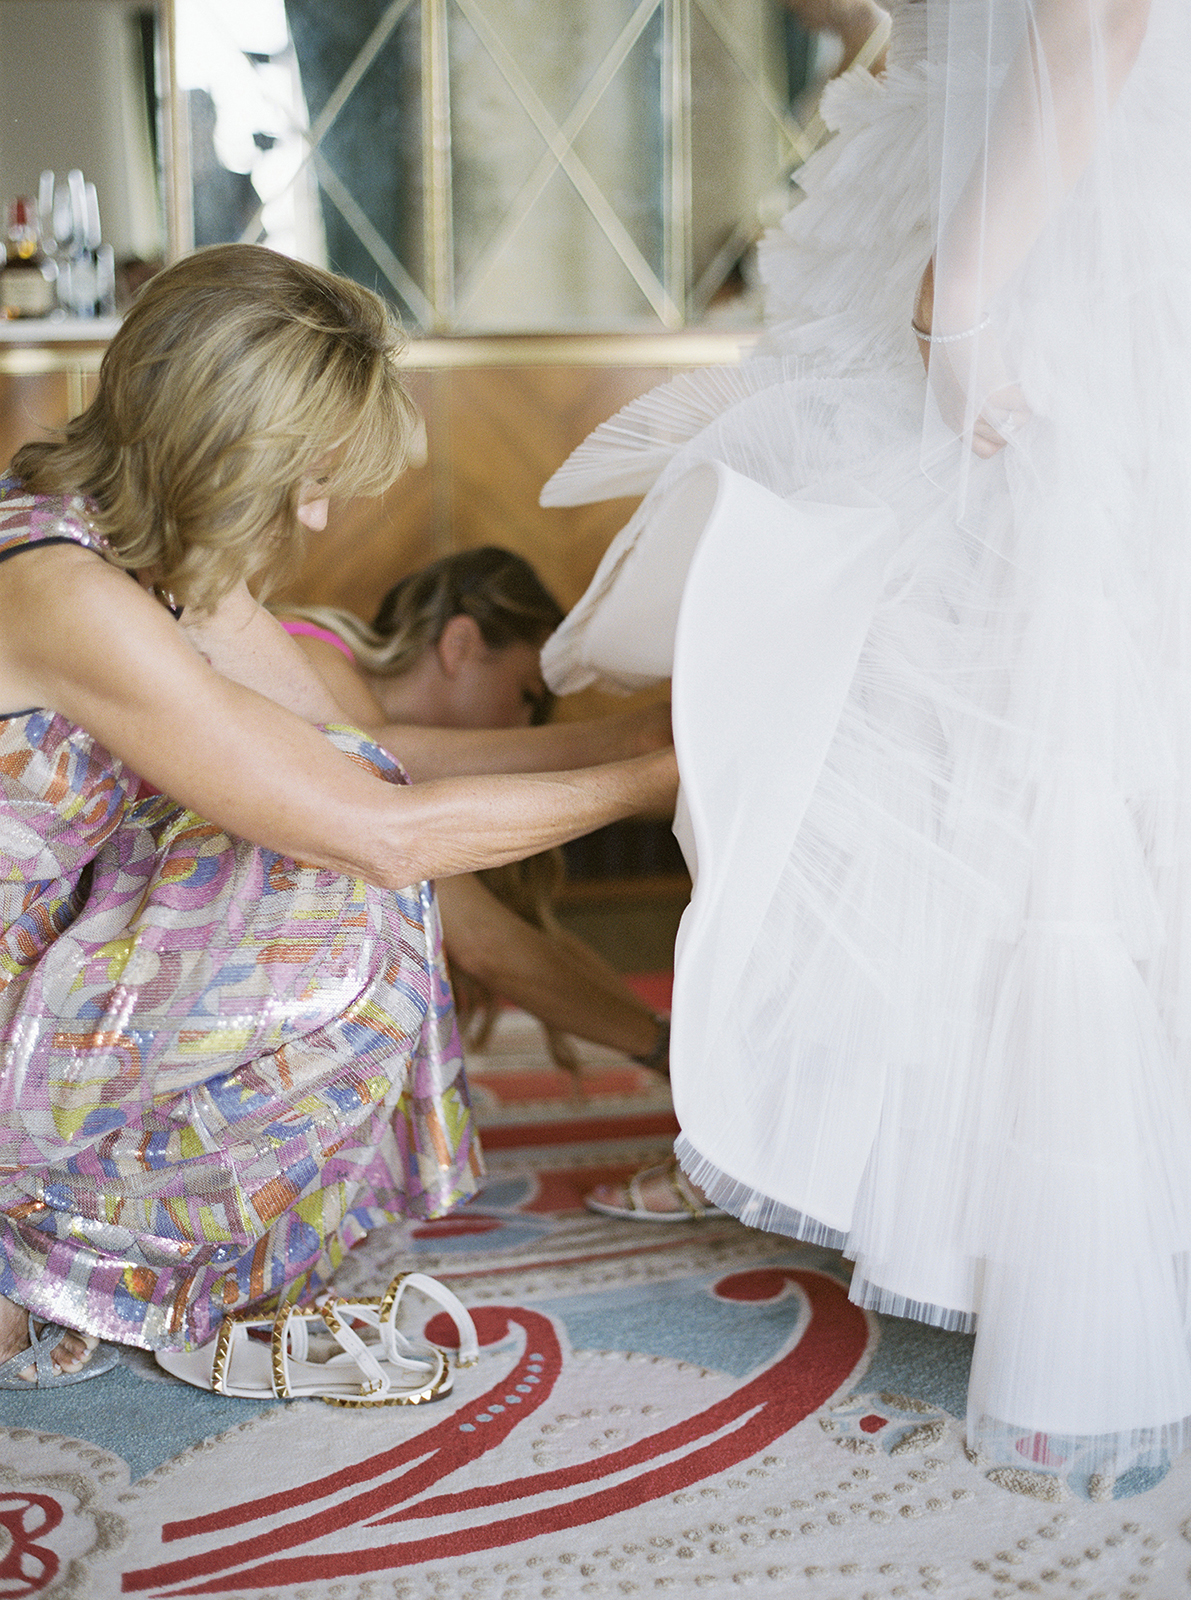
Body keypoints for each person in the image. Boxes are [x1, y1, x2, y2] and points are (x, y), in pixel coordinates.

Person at [541, 0, 1191, 1487]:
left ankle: (1058, 1238)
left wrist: (958, 296)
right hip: (1003, 189)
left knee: (1010, 721)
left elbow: (1099, 19)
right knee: (984, 731)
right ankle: (1002, 1203)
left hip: (1027, 241)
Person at [0, 242, 676, 1392]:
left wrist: (655, 733)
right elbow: (381, 832)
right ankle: (47, 1250)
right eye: (308, 478)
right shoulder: (68, 591)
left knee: (348, 826)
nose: (316, 516)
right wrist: (655, 785)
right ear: (228, 446)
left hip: (46, 972)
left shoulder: (143, 554)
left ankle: (84, 1237)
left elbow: (373, 752)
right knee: (353, 896)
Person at [278, 548, 670, 1073]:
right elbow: (485, 942)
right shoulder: (311, 649)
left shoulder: (405, 788)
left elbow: (518, 936)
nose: (523, 727)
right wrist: (626, 744)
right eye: (525, 695)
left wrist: (661, 1037)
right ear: (459, 644)